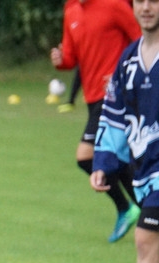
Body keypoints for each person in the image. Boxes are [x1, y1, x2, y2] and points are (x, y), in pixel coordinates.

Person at [89, 0, 159, 263]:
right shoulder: (130, 60)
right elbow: (114, 114)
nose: (147, 7)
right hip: (148, 170)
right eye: (140, 1)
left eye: (154, 0)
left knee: (147, 239)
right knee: (150, 243)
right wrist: (103, 161)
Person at [52, 0, 141, 242]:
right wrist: (60, 59)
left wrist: (124, 73)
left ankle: (129, 208)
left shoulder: (113, 5)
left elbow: (141, 40)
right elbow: (71, 58)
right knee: (116, 158)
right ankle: (143, 209)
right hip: (92, 97)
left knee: (86, 156)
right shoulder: (71, 9)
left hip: (115, 95)